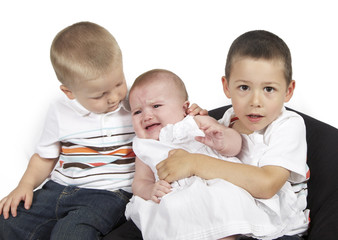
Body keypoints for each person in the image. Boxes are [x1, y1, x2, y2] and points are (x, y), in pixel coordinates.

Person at [156, 30, 310, 239]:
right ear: (227, 87)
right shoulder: (229, 119)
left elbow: (266, 185)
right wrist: (197, 123)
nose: (256, 101)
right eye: (244, 87)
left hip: (277, 227)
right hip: (235, 218)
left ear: (288, 91)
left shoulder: (289, 125)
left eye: (269, 89)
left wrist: (194, 163)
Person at [0, 21, 136, 240]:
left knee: (71, 234)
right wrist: (24, 185)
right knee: (7, 222)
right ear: (69, 92)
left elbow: (166, 114)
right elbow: (45, 157)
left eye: (119, 83)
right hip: (57, 189)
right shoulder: (59, 112)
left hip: (108, 195)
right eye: (99, 95)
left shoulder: (134, 102)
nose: (113, 98)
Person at [126, 69, 245, 240]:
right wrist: (149, 189)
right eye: (137, 112)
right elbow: (140, 182)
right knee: (171, 216)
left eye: (156, 106)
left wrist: (223, 140)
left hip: (212, 185)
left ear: (184, 108)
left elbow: (236, 146)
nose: (146, 116)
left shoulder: (196, 122)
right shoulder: (144, 146)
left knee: (222, 206)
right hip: (175, 198)